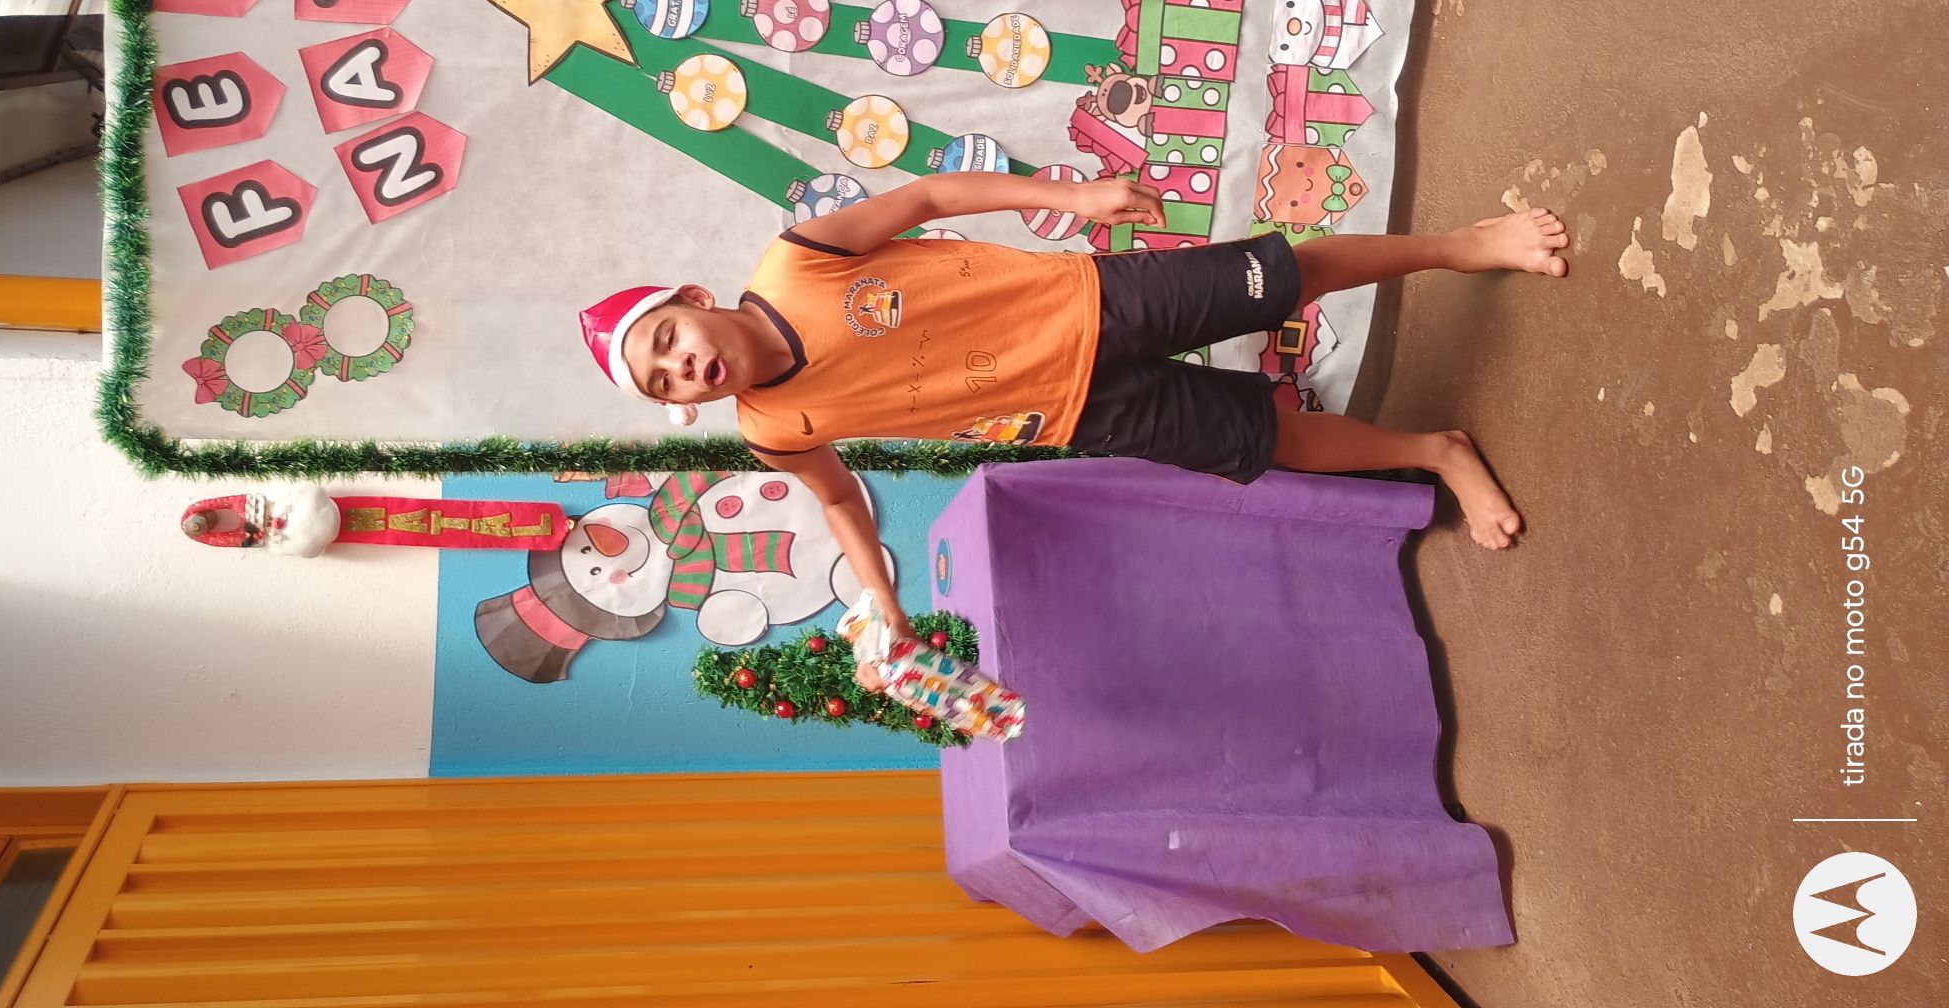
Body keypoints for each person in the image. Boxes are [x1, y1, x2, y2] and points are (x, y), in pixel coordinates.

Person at [580, 171, 1568, 682]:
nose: (681, 364)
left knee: (1284, 275)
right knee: (1267, 445)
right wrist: (882, 603)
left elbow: (929, 197)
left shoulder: (793, 260)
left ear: (693, 300)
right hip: (1068, 411)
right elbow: (838, 501)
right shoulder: (770, 426)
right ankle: (1436, 453)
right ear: (679, 403)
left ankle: (1463, 245)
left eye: (667, 338)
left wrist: (1074, 199)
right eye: (662, 379)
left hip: (1093, 301)